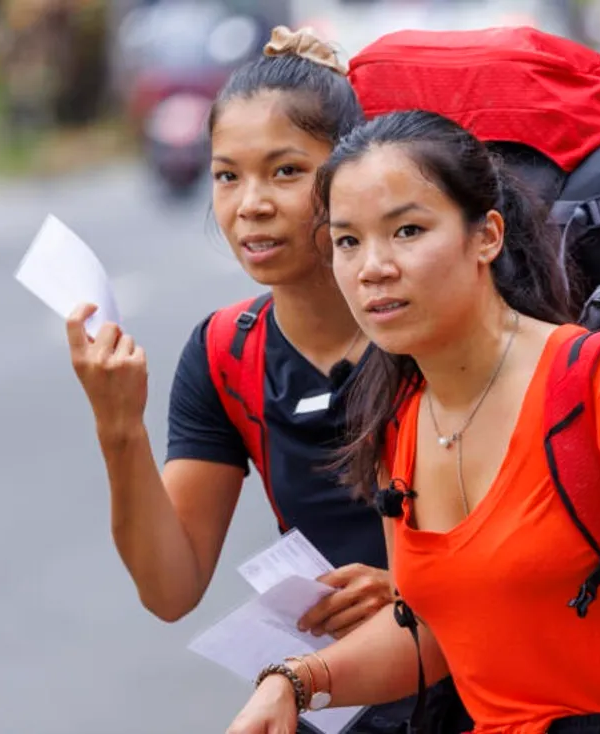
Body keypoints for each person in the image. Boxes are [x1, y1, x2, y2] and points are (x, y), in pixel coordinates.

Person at [226, 110, 600, 734]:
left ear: (487, 236)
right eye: (347, 241)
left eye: (408, 230)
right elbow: (435, 633)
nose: (373, 268)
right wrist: (295, 683)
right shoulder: (401, 419)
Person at [64, 28, 461, 734]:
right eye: (227, 175)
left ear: (348, 174)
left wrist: (417, 591)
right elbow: (169, 585)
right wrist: (117, 425)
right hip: (329, 699)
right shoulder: (225, 353)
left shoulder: (430, 325)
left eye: (285, 172)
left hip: (475, 689)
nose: (250, 203)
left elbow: (540, 535)